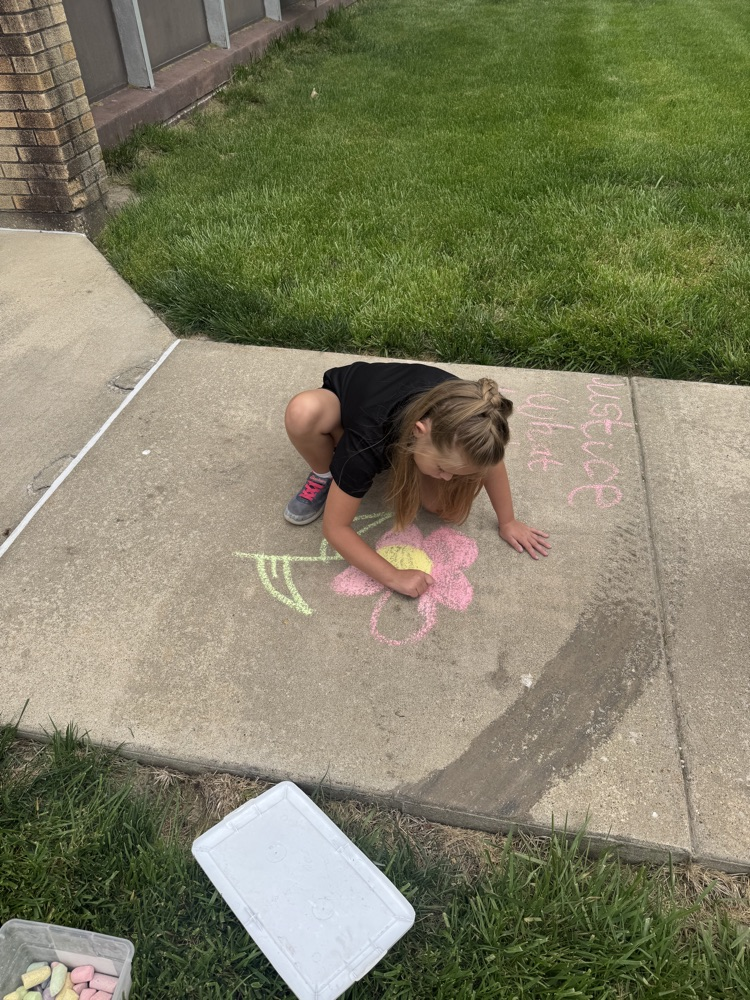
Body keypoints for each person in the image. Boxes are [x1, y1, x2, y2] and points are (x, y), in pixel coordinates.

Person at [283, 361, 550, 598]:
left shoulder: (472, 417)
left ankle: (418, 462)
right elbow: (336, 529)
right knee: (303, 412)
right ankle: (325, 473)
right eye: (444, 468)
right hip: (344, 408)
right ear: (419, 431)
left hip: (403, 429)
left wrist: (508, 521)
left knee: (442, 508)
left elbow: (489, 460)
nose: (447, 478)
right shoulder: (365, 444)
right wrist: (393, 576)